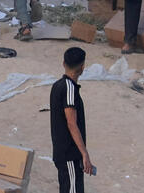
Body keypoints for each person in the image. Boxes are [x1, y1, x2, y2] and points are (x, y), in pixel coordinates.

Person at [50, 47, 91, 193]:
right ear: (82, 67)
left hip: (61, 153)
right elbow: (71, 123)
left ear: (64, 63)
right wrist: (84, 153)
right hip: (70, 155)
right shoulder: (69, 88)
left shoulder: (57, 85)